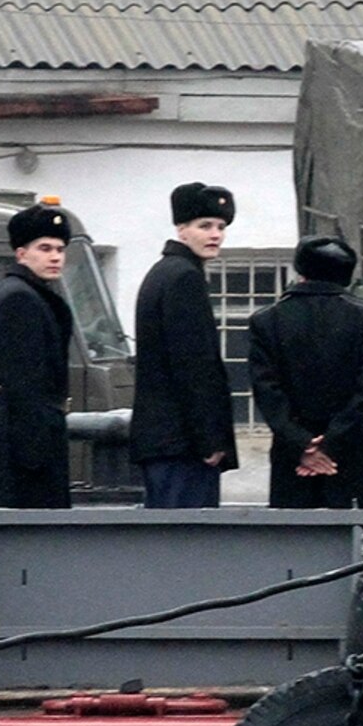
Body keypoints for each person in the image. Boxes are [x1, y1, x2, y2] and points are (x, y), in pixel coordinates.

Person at [246, 235, 363, 510]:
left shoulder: (266, 321)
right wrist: (332, 442)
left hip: (292, 455)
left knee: (294, 542)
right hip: (351, 451)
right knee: (361, 543)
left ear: (301, 270)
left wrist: (302, 444)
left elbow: (266, 390)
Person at [131, 182, 239, 508]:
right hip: (182, 444)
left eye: (220, 227)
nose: (215, 234)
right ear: (182, 230)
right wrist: (209, 439)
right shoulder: (184, 278)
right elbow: (193, 366)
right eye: (204, 226)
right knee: (188, 546)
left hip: (167, 441)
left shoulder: (165, 272)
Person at [0, 204, 77, 508]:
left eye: (59, 248)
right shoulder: (20, 299)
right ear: (21, 253)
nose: (55, 256)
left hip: (26, 433)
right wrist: (35, 453)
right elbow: (21, 382)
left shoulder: (27, 294)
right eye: (44, 248)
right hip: (23, 443)